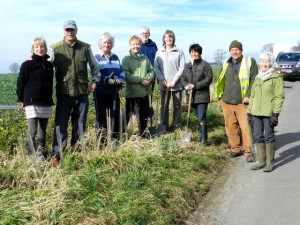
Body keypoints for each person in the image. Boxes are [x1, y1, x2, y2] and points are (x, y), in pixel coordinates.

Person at [49, 20, 100, 166]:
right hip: (63, 94)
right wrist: (32, 59)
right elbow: (44, 65)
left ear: (76, 31)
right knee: (60, 125)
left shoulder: (85, 48)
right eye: (67, 30)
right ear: (63, 31)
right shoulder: (55, 48)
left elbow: (95, 68)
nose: (69, 32)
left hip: (82, 94)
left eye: (72, 30)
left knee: (79, 125)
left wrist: (94, 82)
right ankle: (57, 155)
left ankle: (77, 151)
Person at [216, 40, 258, 162]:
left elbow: (254, 80)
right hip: (227, 100)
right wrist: (220, 97)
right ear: (229, 51)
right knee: (230, 127)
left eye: (237, 49)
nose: (234, 51)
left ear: (241, 50)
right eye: (232, 50)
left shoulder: (249, 61)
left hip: (242, 102)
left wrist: (249, 96)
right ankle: (235, 149)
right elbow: (220, 79)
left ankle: (248, 151)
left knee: (246, 127)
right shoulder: (226, 63)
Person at [16, 37, 54, 160]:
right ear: (33, 49)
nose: (40, 49)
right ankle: (30, 154)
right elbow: (20, 83)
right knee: (32, 130)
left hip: (46, 102)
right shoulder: (27, 64)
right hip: (31, 101)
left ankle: (41, 153)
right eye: (37, 47)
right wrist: (21, 100)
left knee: (42, 130)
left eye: (42, 46)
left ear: (45, 48)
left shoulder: (49, 65)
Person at [247, 52, 284, 172]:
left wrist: (276, 114)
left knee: (269, 137)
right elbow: (252, 96)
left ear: (270, 63)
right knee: (258, 136)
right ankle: (261, 161)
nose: (264, 64)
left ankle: (270, 162)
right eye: (262, 61)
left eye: (267, 61)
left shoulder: (276, 77)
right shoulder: (257, 77)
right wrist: (249, 112)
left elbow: (279, 96)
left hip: (269, 113)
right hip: (256, 112)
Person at [94, 32, 125, 143]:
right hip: (101, 91)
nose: (107, 44)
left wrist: (120, 80)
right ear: (100, 44)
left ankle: (115, 140)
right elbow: (96, 73)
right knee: (102, 117)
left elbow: (121, 71)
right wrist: (108, 79)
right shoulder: (96, 57)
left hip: (114, 91)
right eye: (105, 42)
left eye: (109, 42)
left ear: (112, 44)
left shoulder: (115, 57)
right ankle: (101, 142)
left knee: (115, 115)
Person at [122, 35, 154, 137]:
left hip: (144, 92)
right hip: (132, 93)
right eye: (134, 44)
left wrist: (148, 78)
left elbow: (151, 70)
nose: (136, 46)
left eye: (138, 44)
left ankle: (143, 135)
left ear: (141, 45)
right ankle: (121, 134)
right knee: (127, 115)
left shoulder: (145, 58)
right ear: (130, 45)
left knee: (143, 116)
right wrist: (141, 80)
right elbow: (127, 75)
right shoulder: (126, 59)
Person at [181, 43, 213, 145]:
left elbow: (208, 79)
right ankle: (201, 136)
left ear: (199, 53)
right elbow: (182, 79)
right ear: (190, 53)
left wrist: (195, 85)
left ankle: (204, 140)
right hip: (191, 96)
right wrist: (187, 86)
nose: (194, 54)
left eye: (196, 52)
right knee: (198, 116)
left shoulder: (205, 65)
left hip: (202, 96)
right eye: (192, 52)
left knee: (201, 117)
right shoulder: (186, 66)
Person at [154, 30, 185, 131]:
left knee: (177, 105)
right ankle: (164, 125)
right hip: (163, 85)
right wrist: (162, 80)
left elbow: (181, 68)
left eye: (170, 37)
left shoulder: (179, 52)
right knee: (164, 105)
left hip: (176, 85)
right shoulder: (159, 52)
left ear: (173, 39)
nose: (168, 39)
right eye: (166, 37)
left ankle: (176, 126)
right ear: (164, 39)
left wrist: (174, 81)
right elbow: (156, 67)